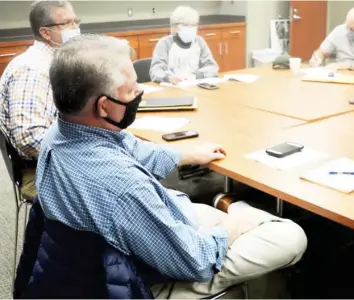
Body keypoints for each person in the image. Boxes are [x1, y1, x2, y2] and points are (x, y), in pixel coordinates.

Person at [36, 34, 307, 298]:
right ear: (104, 106)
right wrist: (231, 228)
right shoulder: (123, 187)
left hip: (91, 258)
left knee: (211, 215)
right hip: (136, 280)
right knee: (290, 236)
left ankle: (239, 213)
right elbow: (195, 261)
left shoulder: (63, 131)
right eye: (132, 89)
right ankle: (239, 214)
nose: (141, 90)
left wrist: (186, 155)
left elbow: (131, 147)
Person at [0, 0, 80, 200]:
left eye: (76, 21)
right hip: (39, 170)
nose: (75, 28)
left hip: (56, 157)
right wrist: (81, 146)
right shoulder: (33, 70)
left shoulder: (53, 61)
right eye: (68, 23)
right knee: (118, 181)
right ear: (46, 33)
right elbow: (29, 139)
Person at [149, 6, 219, 84]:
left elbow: (212, 67)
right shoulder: (165, 43)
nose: (191, 28)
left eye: (194, 25)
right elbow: (156, 70)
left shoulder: (199, 42)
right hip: (172, 89)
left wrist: (195, 76)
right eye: (186, 25)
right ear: (175, 27)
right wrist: (167, 77)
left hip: (195, 87)